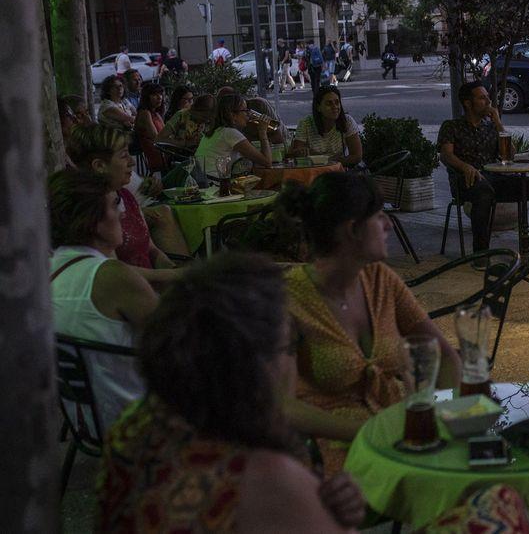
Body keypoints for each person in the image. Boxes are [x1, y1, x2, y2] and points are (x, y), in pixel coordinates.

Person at [97, 253, 368, 532]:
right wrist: (339, 521)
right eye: (291, 345)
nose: (294, 362)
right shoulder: (266, 477)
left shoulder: (133, 427)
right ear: (260, 363)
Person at [275, 173, 461, 475]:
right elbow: (283, 406)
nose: (388, 225)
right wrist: (370, 430)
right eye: (378, 216)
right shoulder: (289, 300)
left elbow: (445, 356)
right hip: (334, 455)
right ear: (353, 230)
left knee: (489, 470)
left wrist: (446, 416)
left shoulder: (381, 281)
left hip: (402, 440)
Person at [48, 169, 158, 432]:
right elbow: (178, 343)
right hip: (132, 423)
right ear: (94, 221)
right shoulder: (111, 276)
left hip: (84, 419)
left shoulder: (52, 268)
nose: (122, 212)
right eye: (114, 204)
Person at [437, 83, 529, 270]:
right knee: (483, 193)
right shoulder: (452, 126)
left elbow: (510, 155)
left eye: (487, 98)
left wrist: (498, 124)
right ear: (468, 103)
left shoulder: (490, 127)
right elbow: (446, 155)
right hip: (467, 181)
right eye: (482, 98)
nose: (488, 102)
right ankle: (480, 254)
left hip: (495, 178)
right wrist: (465, 166)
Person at [67, 124, 186, 278]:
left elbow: (151, 249)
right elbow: (114, 272)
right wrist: (173, 276)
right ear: (99, 166)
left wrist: (172, 267)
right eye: (124, 155)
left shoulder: (125, 196)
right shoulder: (89, 211)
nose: (132, 162)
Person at [194, 93, 273, 175]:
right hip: (216, 184)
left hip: (205, 181)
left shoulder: (217, 131)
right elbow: (267, 162)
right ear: (232, 115)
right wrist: (263, 132)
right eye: (245, 110)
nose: (248, 114)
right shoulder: (230, 133)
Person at [291, 86, 363, 167]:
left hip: (338, 172)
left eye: (337, 102)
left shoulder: (347, 121)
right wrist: (302, 152)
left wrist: (327, 161)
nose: (335, 107)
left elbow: (357, 156)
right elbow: (297, 153)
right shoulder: (305, 123)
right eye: (329, 103)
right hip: (313, 173)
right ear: (318, 107)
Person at [134, 82, 167, 172]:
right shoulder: (144, 113)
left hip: (165, 151)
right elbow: (157, 138)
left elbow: (166, 133)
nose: (159, 97)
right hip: (159, 155)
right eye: (154, 94)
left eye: (160, 94)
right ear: (146, 97)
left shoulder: (156, 113)